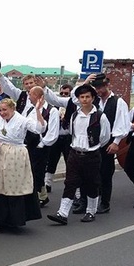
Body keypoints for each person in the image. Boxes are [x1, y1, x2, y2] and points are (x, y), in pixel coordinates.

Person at [0, 98, 46, 235]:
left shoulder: (22, 120)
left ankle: (13, 219)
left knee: (13, 186)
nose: (2, 113)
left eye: (5, 110)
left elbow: (40, 128)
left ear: (13, 109)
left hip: (15, 155)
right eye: (0, 110)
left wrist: (38, 111)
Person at [47, 84, 110, 225]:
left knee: (92, 184)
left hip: (92, 155)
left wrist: (93, 146)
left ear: (93, 98)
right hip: (74, 153)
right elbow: (72, 133)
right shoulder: (75, 115)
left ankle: (91, 211)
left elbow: (105, 137)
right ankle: (62, 213)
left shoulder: (101, 116)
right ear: (78, 99)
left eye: (87, 97)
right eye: (82, 97)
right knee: (70, 182)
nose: (85, 99)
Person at [44, 84, 73, 194]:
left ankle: (71, 185)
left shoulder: (72, 105)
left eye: (66, 93)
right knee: (51, 161)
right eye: (62, 93)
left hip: (68, 137)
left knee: (69, 162)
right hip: (56, 136)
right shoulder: (54, 107)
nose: (64, 95)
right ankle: (48, 183)